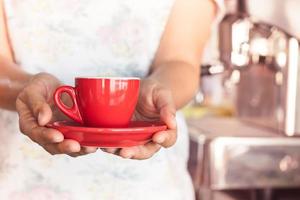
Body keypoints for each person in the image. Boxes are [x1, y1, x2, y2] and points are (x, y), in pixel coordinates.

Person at [0, 0, 220, 199]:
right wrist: (27, 90)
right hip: (21, 179)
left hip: (149, 186)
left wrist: (159, 92)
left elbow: (180, 60)